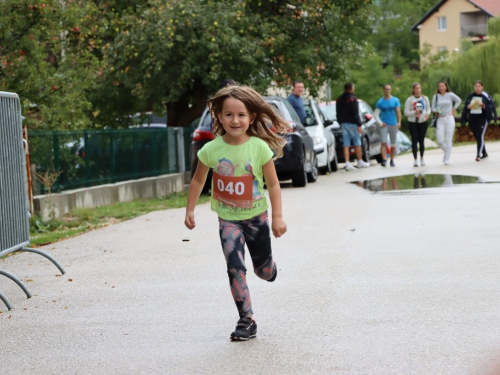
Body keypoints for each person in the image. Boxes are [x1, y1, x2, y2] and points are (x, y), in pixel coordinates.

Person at [184, 84, 288, 342]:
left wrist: (277, 217)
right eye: (228, 114)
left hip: (257, 219)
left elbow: (273, 184)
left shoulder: (259, 148)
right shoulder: (211, 150)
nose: (235, 120)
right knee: (235, 267)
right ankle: (246, 319)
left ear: (251, 118)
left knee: (262, 272)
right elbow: (198, 181)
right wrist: (190, 210)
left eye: (241, 114)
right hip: (228, 220)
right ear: (218, 117)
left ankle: (268, 268)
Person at [336, 82, 370, 170]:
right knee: (357, 143)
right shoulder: (352, 99)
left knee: (346, 144)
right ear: (351, 88)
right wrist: (359, 124)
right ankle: (359, 161)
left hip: (343, 124)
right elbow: (355, 112)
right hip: (353, 124)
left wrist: (340, 122)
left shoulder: (339, 99)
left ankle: (347, 163)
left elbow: (338, 112)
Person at [461, 80, 493, 161]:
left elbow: (489, 108)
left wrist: (482, 104)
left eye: (479, 86)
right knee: (477, 136)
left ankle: (478, 155)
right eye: (476, 86)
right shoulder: (471, 96)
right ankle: (484, 152)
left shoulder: (485, 96)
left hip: (482, 118)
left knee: (480, 135)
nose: (477, 88)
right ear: (474, 87)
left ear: (482, 87)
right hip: (473, 118)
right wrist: (468, 107)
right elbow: (466, 107)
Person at [431, 82, 461, 165]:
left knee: (448, 139)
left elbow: (458, 100)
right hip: (440, 119)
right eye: (439, 86)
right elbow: (432, 107)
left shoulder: (450, 95)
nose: (440, 87)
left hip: (449, 118)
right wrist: (435, 110)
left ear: (446, 87)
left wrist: (454, 109)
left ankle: (447, 158)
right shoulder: (436, 96)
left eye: (442, 86)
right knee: (440, 140)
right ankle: (447, 152)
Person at [404, 83, 431, 167]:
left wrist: (427, 114)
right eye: (416, 88)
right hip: (413, 122)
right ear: (413, 90)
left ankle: (422, 158)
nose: (418, 90)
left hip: (422, 121)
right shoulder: (410, 100)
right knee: (414, 140)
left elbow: (428, 109)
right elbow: (406, 112)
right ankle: (415, 159)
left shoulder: (425, 98)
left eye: (419, 88)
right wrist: (414, 112)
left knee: (421, 140)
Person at [374, 84, 402, 167]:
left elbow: (398, 111)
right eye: (386, 89)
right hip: (384, 124)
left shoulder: (395, 100)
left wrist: (399, 122)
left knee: (393, 143)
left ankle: (392, 159)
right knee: (383, 142)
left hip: (393, 123)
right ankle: (384, 159)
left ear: (391, 90)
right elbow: (376, 114)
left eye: (389, 89)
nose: (387, 91)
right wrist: (380, 122)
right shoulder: (380, 102)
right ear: (383, 90)